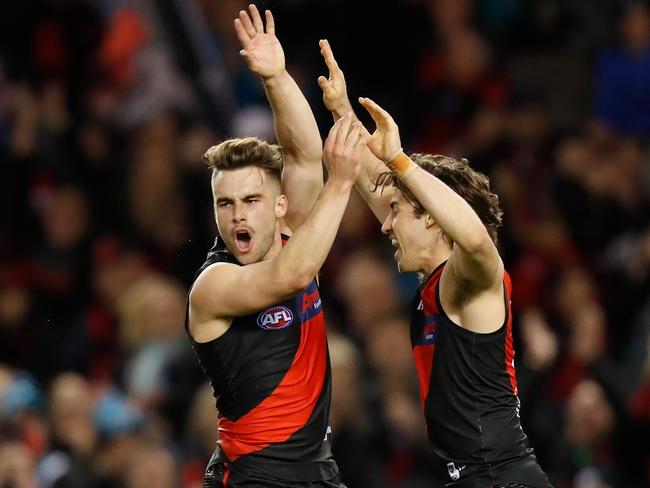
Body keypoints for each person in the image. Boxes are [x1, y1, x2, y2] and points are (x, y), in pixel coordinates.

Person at [318, 39, 553, 488]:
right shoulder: (435, 284)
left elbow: (476, 240)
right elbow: (373, 186)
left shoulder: (470, 279)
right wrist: (342, 109)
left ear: (433, 221)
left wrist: (401, 160)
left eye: (399, 214)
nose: (386, 227)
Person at [185, 7, 364, 487]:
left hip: (319, 473)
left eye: (250, 200)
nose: (237, 214)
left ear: (281, 205)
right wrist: (341, 185)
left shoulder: (294, 235)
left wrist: (277, 77)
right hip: (252, 478)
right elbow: (292, 276)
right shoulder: (213, 285)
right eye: (225, 203)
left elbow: (305, 155)